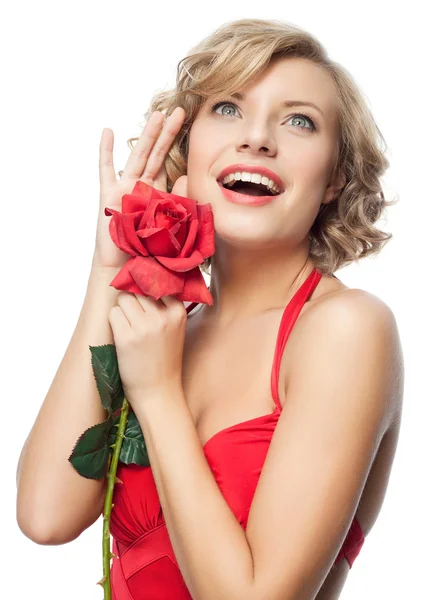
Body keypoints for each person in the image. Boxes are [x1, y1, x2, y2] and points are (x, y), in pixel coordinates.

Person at [16, 18, 404, 600]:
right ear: (187, 146)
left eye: (300, 121)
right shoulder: (168, 329)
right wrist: (109, 269)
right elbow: (45, 515)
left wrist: (157, 393)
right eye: (227, 107)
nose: (258, 138)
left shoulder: (346, 329)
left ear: (335, 178)